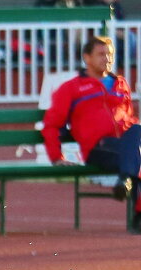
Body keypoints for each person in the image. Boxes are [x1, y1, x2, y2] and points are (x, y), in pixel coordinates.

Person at [43, 36, 141, 222]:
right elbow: (52, 124)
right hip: (98, 148)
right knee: (137, 155)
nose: (107, 59)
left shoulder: (121, 84)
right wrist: (57, 157)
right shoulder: (71, 88)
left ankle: (125, 180)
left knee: (137, 129)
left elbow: (128, 116)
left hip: (125, 147)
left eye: (110, 54)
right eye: (101, 54)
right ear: (87, 58)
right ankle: (137, 212)